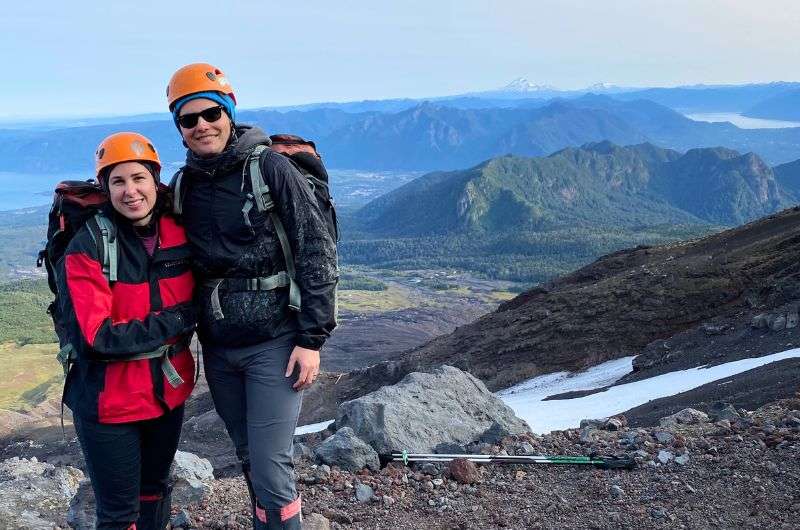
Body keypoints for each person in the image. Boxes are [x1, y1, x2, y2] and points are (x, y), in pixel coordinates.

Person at [165, 63, 338, 530]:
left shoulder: (270, 168)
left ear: (228, 112)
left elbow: (315, 249)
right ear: (179, 128)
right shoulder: (185, 186)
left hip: (276, 344)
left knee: (269, 467)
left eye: (211, 113)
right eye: (188, 118)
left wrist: (312, 339)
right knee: (248, 459)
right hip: (219, 349)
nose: (202, 125)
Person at [59, 132, 197, 529]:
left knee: (155, 488)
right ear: (105, 189)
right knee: (120, 514)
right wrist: (177, 319)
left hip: (166, 394)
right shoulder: (89, 245)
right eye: (118, 181)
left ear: (156, 180)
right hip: (109, 404)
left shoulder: (179, 230)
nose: (131, 191)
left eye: (139, 178)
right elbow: (96, 337)